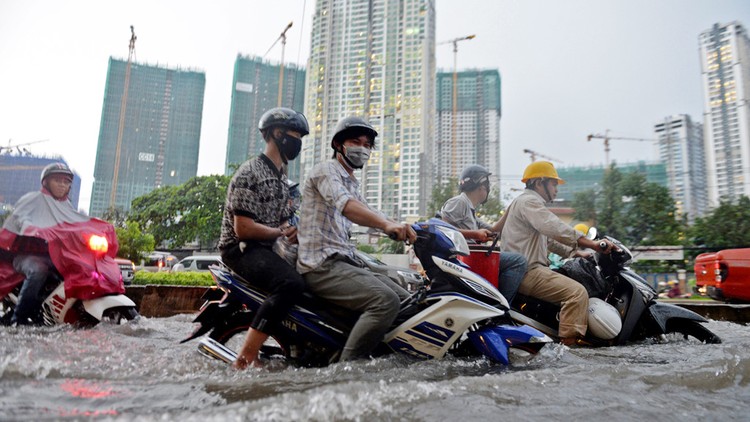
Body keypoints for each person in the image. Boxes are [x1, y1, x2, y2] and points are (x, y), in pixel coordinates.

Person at [297, 116, 415, 362]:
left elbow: (370, 211)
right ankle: (347, 369)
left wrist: (409, 226)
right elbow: (347, 206)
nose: (362, 148)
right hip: (322, 266)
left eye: (367, 145)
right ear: (339, 145)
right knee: (386, 301)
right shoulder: (327, 171)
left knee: (408, 300)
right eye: (355, 141)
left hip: (345, 263)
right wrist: (385, 225)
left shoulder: (351, 181)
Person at [217, 107, 309, 369]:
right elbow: (243, 229)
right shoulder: (250, 173)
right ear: (277, 134)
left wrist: (292, 230)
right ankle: (244, 359)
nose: (298, 142)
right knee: (290, 285)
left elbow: (282, 221)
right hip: (241, 249)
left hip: (267, 247)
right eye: (295, 135)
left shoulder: (282, 178)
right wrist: (280, 232)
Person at [500, 161, 617, 346]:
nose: (556, 189)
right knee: (577, 293)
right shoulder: (529, 202)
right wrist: (592, 244)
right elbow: (555, 227)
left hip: (528, 270)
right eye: (553, 184)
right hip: (529, 271)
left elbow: (549, 240)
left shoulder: (523, 202)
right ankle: (569, 348)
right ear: (539, 183)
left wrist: (578, 253)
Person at [439, 164, 528, 304]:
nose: (488, 189)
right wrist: (474, 234)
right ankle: (500, 306)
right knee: (518, 261)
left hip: (472, 257)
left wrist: (510, 210)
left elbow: (494, 231)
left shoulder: (471, 211)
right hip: (465, 259)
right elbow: (442, 228)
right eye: (487, 185)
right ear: (481, 186)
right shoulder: (459, 202)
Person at [3, 163, 75, 324]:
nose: (62, 184)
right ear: (46, 182)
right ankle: (18, 320)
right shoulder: (34, 199)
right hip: (25, 254)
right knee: (38, 270)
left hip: (55, 256)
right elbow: (19, 218)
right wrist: (32, 227)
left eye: (66, 181)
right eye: (57, 180)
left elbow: (77, 225)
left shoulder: (67, 207)